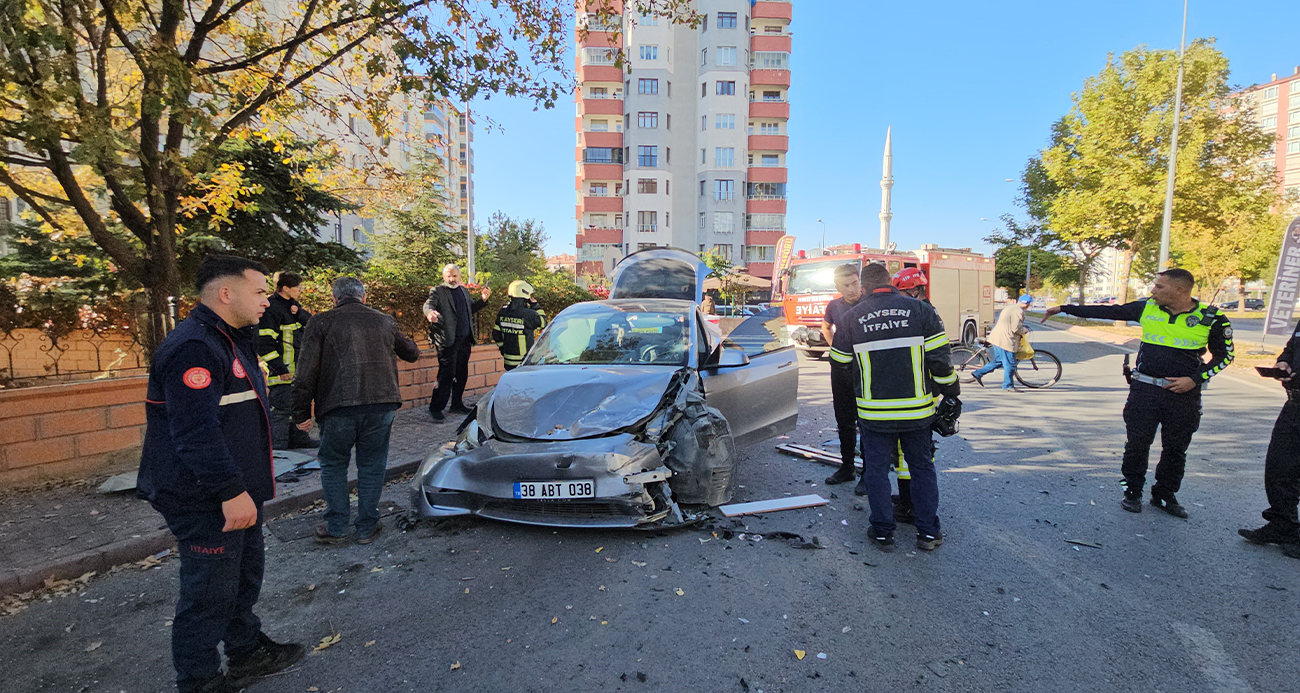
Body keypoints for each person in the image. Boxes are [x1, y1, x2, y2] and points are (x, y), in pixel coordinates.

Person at [136, 254, 304, 693]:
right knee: (208, 593)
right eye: (260, 290)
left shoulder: (233, 339)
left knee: (242, 579)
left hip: (238, 491)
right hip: (206, 496)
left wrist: (244, 490)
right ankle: (199, 680)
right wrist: (230, 491)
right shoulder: (195, 347)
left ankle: (246, 652)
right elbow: (194, 433)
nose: (267, 299)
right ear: (226, 293)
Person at [1043, 268, 1233, 517]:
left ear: (1180, 290)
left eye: (1159, 287)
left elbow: (1225, 356)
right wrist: (1065, 308)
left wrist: (1195, 379)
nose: (1152, 291)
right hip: (1144, 391)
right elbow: (1110, 312)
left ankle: (1164, 495)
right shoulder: (1147, 308)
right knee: (1136, 445)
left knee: (1176, 449)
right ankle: (1131, 491)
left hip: (1183, 396)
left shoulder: (1213, 318)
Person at [292, 277, 420, 545]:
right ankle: (367, 528)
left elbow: (305, 373)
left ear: (334, 298)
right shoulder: (384, 320)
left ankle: (337, 527)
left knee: (333, 464)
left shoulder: (321, 321)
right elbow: (411, 353)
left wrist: (300, 413)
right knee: (372, 466)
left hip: (338, 407)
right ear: (363, 297)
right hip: (381, 404)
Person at [842, 262, 960, 552]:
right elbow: (940, 360)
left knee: (877, 473)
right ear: (890, 282)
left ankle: (883, 533)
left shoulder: (852, 317)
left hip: (874, 412)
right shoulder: (920, 311)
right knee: (922, 468)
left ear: (864, 287)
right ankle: (928, 533)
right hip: (917, 412)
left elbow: (841, 363)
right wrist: (951, 393)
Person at [1239, 323, 1300, 559]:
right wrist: (1283, 363)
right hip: (1294, 405)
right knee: (1279, 468)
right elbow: (1291, 348)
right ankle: (1282, 525)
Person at [256, 271, 317, 449]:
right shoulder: (271, 308)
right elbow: (265, 344)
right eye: (297, 287)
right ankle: (279, 447)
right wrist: (280, 369)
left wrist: (299, 313)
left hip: (296, 370)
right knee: (281, 411)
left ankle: (298, 439)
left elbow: (312, 324)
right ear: (285, 288)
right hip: (282, 372)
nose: (300, 290)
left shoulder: (292, 305)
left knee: (297, 407)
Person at [423, 264, 491, 421]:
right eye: (448, 276)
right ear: (443, 277)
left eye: (454, 276)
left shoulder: (463, 291)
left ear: (460, 277)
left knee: (461, 374)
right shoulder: (438, 291)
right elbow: (428, 305)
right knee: (446, 375)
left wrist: (482, 300)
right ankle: (436, 408)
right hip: (447, 342)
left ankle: (457, 404)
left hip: (464, 340)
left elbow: (470, 309)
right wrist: (429, 313)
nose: (452, 279)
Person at [822, 264, 864, 487]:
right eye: (846, 285)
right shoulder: (834, 306)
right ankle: (847, 467)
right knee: (844, 420)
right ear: (838, 286)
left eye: (855, 283)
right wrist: (835, 349)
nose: (852, 289)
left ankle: (868, 473)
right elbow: (826, 327)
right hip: (841, 372)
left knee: (867, 422)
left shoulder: (868, 303)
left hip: (866, 370)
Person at [971, 294, 1032, 391]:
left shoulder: (1010, 308)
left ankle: (978, 373)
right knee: (1011, 364)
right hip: (1006, 340)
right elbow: (1015, 328)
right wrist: (1025, 330)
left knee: (999, 361)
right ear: (1028, 305)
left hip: (997, 338)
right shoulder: (1019, 311)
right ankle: (1008, 386)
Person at [492, 280, 547, 371]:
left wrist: (503, 349)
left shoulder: (503, 312)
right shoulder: (529, 314)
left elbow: (496, 334)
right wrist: (536, 306)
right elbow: (543, 323)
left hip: (508, 361)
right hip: (524, 361)